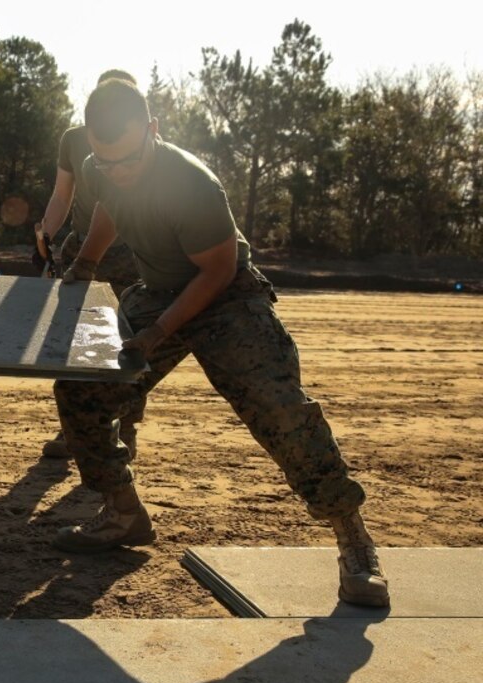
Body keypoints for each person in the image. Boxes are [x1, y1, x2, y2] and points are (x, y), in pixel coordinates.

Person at [53, 79, 389, 608]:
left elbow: (218, 269)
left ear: (154, 131)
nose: (117, 171)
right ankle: (123, 512)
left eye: (127, 159)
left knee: (282, 414)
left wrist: (158, 331)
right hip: (159, 290)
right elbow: (110, 208)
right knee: (80, 390)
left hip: (226, 298)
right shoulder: (104, 166)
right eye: (104, 160)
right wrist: (83, 265)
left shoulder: (191, 184)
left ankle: (355, 542)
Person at [35, 69, 143, 460]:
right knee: (70, 343)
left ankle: (124, 433)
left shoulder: (141, 137)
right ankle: (73, 432)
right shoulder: (74, 138)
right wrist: (45, 235)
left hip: (128, 253)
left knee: (126, 345)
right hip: (80, 248)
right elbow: (63, 194)